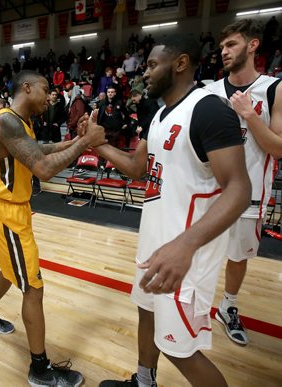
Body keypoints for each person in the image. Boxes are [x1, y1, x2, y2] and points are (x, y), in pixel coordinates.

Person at [79, 35, 251, 387]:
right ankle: (144, 382)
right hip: (156, 243)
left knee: (179, 349)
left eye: (152, 65)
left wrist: (185, 246)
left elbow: (239, 189)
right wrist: (99, 145)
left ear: (181, 63)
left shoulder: (208, 108)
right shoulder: (159, 116)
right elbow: (138, 168)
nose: (145, 72)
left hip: (186, 253)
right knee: (147, 314)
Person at [0, 70, 105, 386]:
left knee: (11, 271)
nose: (51, 96)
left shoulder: (20, 122)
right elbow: (44, 169)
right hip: (5, 212)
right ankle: (40, 369)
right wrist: (86, 142)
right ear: (27, 87)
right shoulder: (6, 121)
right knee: (33, 287)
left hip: (11, 210)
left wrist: (75, 141)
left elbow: (38, 151)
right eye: (47, 89)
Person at [205, 19, 282, 346]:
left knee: (237, 256)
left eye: (232, 45)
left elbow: (280, 147)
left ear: (253, 45)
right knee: (200, 252)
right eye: (222, 46)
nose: (223, 51)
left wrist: (250, 115)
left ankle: (228, 306)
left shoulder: (276, 89)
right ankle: (198, 304)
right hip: (208, 192)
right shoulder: (209, 91)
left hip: (250, 192)